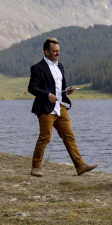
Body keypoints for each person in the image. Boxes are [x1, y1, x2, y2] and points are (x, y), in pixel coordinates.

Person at [28, 38, 97, 177]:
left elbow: (59, 87)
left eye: (59, 51)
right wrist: (47, 94)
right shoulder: (37, 67)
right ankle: (35, 167)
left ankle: (80, 165)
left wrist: (67, 90)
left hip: (60, 106)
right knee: (45, 137)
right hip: (45, 108)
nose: (58, 53)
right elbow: (32, 88)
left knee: (69, 136)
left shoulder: (60, 66)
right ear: (46, 51)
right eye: (55, 51)